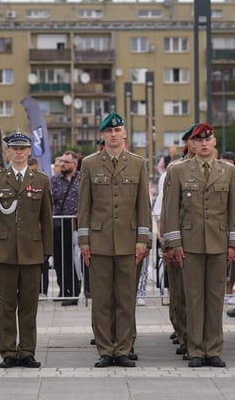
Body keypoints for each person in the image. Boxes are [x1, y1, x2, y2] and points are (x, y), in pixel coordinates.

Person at [162, 123, 235, 368]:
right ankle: (196, 349)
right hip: (190, 244)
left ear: (214, 142)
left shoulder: (227, 171)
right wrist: (173, 243)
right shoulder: (179, 171)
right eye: (199, 140)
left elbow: (233, 211)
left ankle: (213, 349)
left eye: (208, 139)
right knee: (194, 299)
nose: (204, 144)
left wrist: (233, 243)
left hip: (218, 243)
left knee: (215, 298)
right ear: (192, 145)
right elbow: (171, 210)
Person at [77, 113, 151, 368]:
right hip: (99, 242)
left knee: (126, 298)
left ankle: (123, 348)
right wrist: (84, 243)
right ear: (102, 135)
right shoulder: (89, 164)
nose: (114, 134)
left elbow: (143, 206)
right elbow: (84, 207)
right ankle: (105, 349)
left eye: (118, 130)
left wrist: (143, 240)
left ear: (125, 134)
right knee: (102, 299)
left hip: (129, 241)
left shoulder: (138, 164)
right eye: (109, 131)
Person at [0, 131, 53, 369]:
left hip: (32, 251)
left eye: (23, 148)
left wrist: (47, 253)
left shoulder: (41, 180)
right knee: (7, 305)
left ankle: (27, 351)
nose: (19, 152)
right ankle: (8, 351)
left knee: (29, 306)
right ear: (8, 152)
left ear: (29, 151)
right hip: (5, 250)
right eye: (15, 148)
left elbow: (46, 218)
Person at [50, 150, 81, 305]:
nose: (62, 164)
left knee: (73, 260)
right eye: (61, 161)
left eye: (66, 162)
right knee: (59, 260)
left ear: (74, 164)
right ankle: (64, 289)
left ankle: (74, 292)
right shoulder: (54, 180)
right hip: (58, 224)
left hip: (75, 226)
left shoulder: (82, 179)